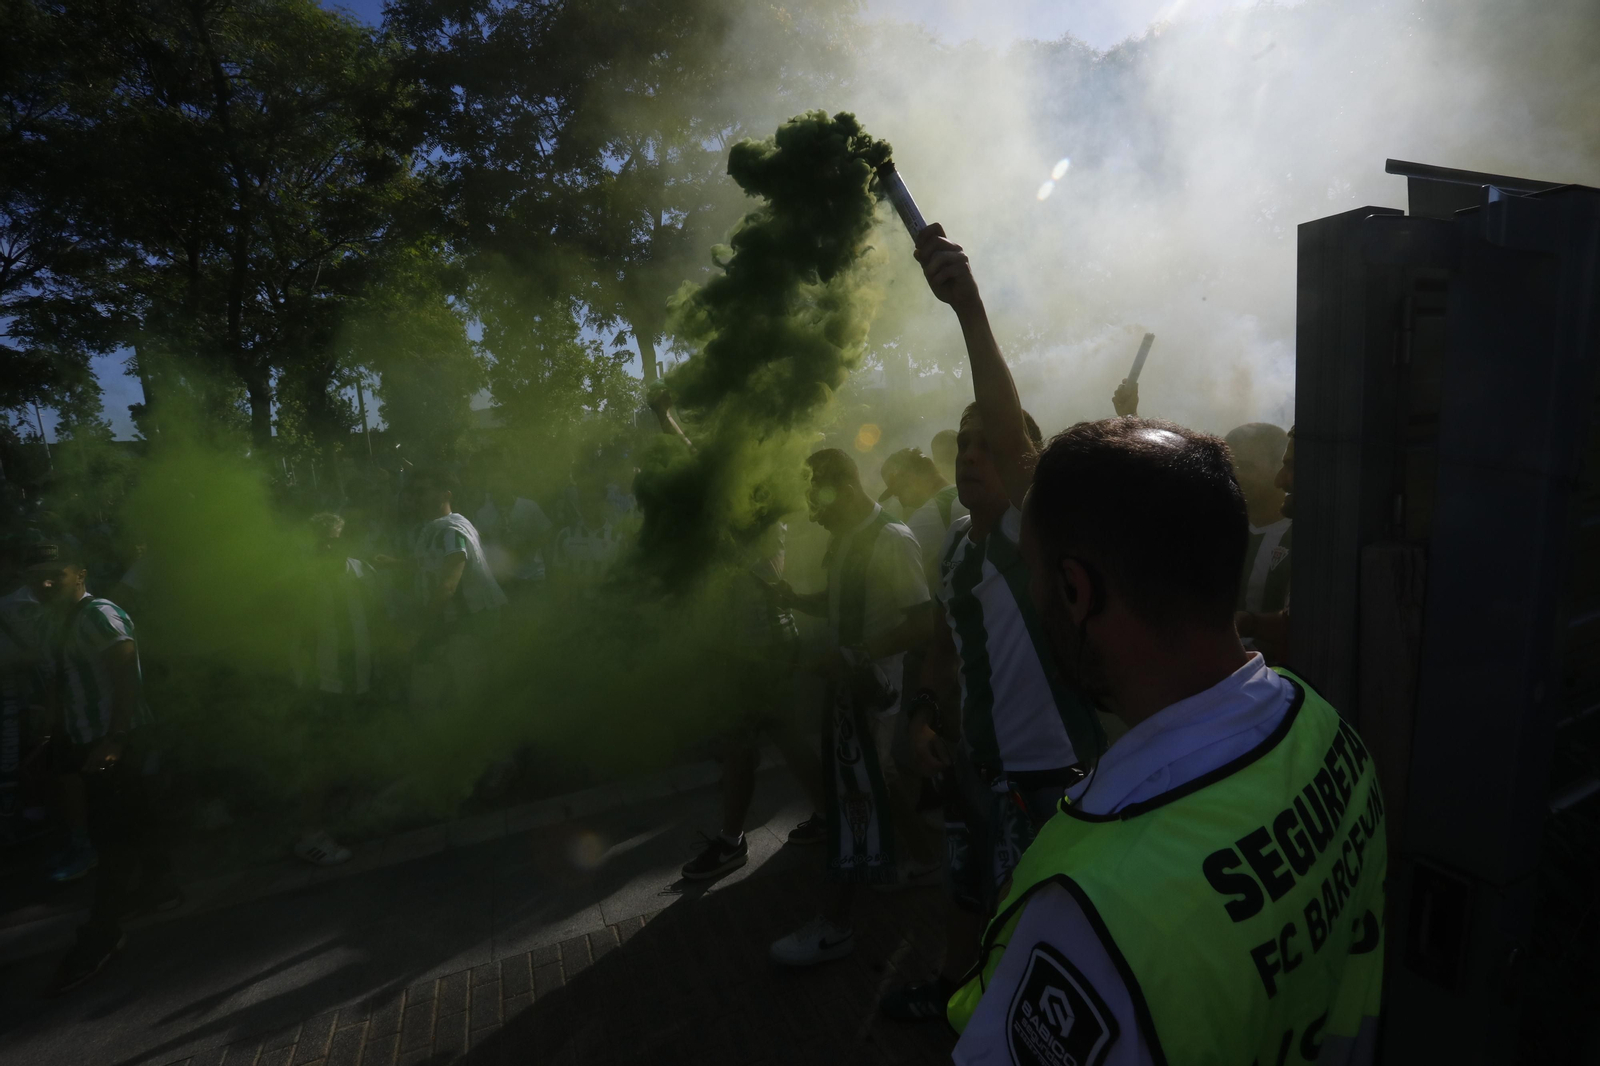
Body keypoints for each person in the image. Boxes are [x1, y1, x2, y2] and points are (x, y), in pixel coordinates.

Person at [916, 224, 1386, 1065]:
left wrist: (974, 313)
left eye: (1038, 570)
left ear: (1076, 590)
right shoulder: (1326, 733)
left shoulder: (1088, 902)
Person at [880, 402, 1106, 1022]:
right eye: (962, 443)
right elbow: (942, 643)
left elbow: (1016, 451)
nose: (971, 455)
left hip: (1047, 772)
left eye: (989, 445)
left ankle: (1025, 1028)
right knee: (963, 886)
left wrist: (969, 311)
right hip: (975, 761)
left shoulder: (1029, 534)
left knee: (1035, 914)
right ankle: (951, 990)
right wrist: (924, 713)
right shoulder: (955, 540)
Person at [639, 392, 830, 879]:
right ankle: (825, 820)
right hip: (756, 645)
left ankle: (733, 842)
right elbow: (703, 463)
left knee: (746, 743)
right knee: (775, 739)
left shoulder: (762, 506)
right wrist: (668, 417)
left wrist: (669, 420)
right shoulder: (750, 493)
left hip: (762, 645)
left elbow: (708, 473)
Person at [766, 448, 936, 966]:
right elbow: (839, 600)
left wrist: (854, 656)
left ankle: (837, 924)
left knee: (852, 801)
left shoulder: (892, 539)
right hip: (849, 689)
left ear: (841, 487)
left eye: (818, 502)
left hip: (872, 691)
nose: (814, 515)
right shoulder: (844, 541)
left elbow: (922, 622)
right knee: (877, 778)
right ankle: (927, 859)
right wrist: (796, 598)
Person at [26, 543, 180, 996]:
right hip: (89, 740)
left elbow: (125, 670)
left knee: (111, 836)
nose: (46, 582)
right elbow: (64, 680)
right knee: (132, 818)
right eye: (36, 575)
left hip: (113, 741)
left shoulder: (98, 613)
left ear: (80, 572)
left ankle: (103, 931)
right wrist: (55, 735)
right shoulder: (53, 620)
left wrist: (114, 739)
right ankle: (159, 884)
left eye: (56, 573)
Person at [289, 513, 378, 866]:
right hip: (321, 682)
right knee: (319, 761)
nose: (329, 545)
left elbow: (375, 616)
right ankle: (309, 836)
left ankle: (342, 822)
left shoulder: (361, 571)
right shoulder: (301, 577)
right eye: (322, 539)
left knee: (347, 752)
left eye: (336, 538)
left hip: (359, 678)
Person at [405, 469, 506, 710]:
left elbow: (449, 585)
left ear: (445, 495)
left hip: (464, 626)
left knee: (469, 698)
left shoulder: (450, 532)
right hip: (452, 625)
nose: (417, 497)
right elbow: (432, 564)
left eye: (423, 491)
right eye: (414, 492)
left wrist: (420, 626)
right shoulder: (440, 528)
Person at [1227, 423, 1292, 662]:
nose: (1235, 474)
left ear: (1279, 469)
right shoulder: (1215, 525)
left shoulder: (1305, 538)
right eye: (1229, 465)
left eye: (1246, 466)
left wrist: (1248, 624)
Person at [879, 447, 967, 589]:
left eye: (899, 491)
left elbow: (897, 576)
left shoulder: (928, 515)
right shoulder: (966, 494)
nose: (901, 500)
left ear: (911, 478)